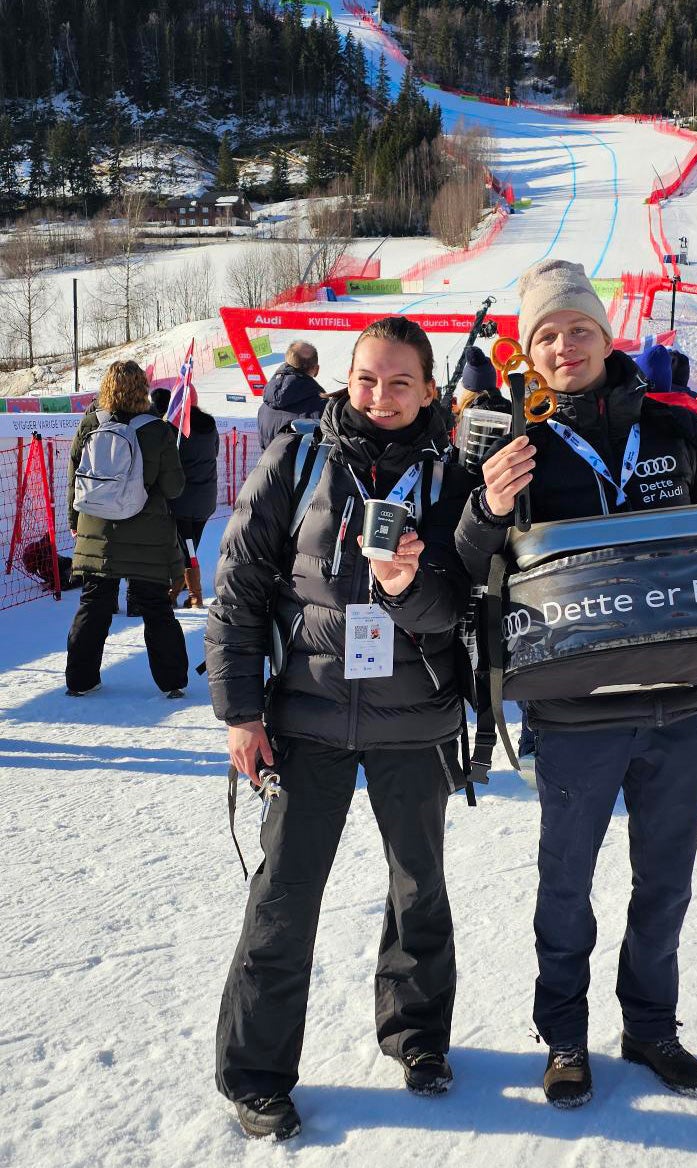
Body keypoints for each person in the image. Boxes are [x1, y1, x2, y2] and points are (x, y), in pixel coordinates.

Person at [456, 259, 697, 1109]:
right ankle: (565, 1039)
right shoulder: (519, 447)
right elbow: (468, 567)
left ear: (606, 336)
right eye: (546, 335)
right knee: (566, 884)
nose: (564, 345)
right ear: (529, 354)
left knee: (667, 882)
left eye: (578, 329)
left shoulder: (675, 427)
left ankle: (651, 1029)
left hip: (679, 696)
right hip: (574, 708)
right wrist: (488, 510)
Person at [206, 316, 475, 1142]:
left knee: (418, 889)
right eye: (367, 379)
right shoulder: (299, 457)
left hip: (415, 718)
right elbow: (240, 587)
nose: (382, 397)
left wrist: (405, 585)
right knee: (283, 898)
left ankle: (418, 1037)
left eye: (401, 382)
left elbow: (463, 604)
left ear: (431, 390)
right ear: (345, 380)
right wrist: (241, 713)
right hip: (305, 720)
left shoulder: (456, 476)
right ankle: (257, 1074)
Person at [65, 360, 188, 697]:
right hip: (147, 535)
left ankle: (80, 680)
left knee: (94, 603)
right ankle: (172, 682)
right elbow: (175, 488)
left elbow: (73, 479)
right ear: (142, 388)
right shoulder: (158, 430)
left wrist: (74, 522)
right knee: (155, 606)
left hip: (97, 528)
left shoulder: (90, 423)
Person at [150, 385, 219, 607]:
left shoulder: (174, 428)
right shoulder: (210, 425)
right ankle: (181, 588)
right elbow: (214, 452)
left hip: (183, 499)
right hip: (206, 497)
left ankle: (192, 594)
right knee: (189, 545)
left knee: (186, 546)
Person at [257, 340, 326, 450]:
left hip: (268, 466)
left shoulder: (264, 407)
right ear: (316, 369)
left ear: (286, 363)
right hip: (304, 467)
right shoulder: (323, 406)